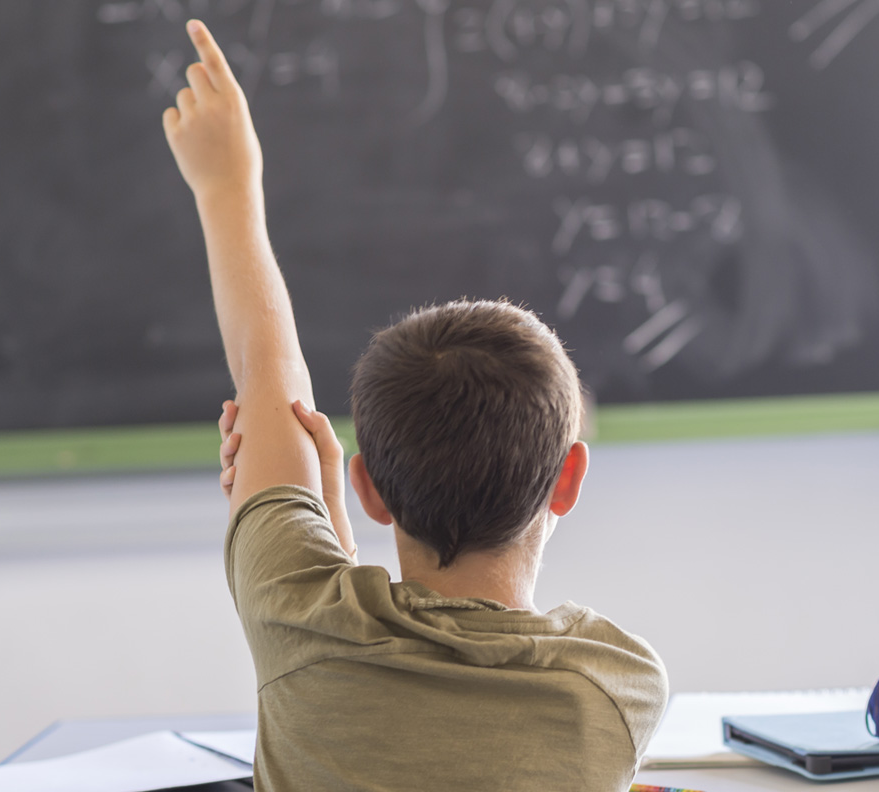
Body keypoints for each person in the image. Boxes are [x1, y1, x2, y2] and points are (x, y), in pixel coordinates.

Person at [163, 19, 668, 791]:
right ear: (569, 478)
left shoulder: (295, 617)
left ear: (369, 489)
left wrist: (227, 184)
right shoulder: (614, 684)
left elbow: (267, 370)